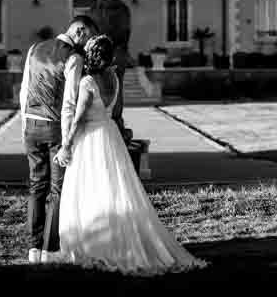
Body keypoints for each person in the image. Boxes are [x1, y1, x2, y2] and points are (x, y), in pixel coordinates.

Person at [55, 34, 208, 275]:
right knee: (115, 187)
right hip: (110, 134)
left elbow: (78, 117)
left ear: (91, 55)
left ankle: (96, 244)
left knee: (91, 186)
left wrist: (66, 145)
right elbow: (112, 110)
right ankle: (113, 235)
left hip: (91, 139)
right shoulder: (114, 78)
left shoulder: (87, 82)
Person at [19, 15, 98, 264]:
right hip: (54, 128)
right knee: (56, 189)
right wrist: (66, 142)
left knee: (36, 186)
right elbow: (69, 104)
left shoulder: (34, 49)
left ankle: (33, 249)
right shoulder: (73, 57)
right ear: (80, 31)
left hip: (31, 125)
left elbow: (24, 90)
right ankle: (49, 250)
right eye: (89, 37)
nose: (88, 45)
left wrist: (25, 125)